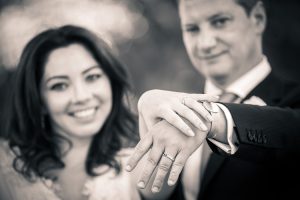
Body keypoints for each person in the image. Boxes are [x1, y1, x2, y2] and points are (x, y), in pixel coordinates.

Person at [126, 0, 300, 200]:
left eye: (220, 22)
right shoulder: (177, 114)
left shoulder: (294, 102)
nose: (205, 43)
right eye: (192, 29)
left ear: (258, 19)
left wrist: (213, 119)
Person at [0, 25, 175, 200]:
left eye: (92, 77)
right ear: (39, 100)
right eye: (59, 85)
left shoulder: (134, 166)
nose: (81, 96)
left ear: (111, 84)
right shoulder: (5, 168)